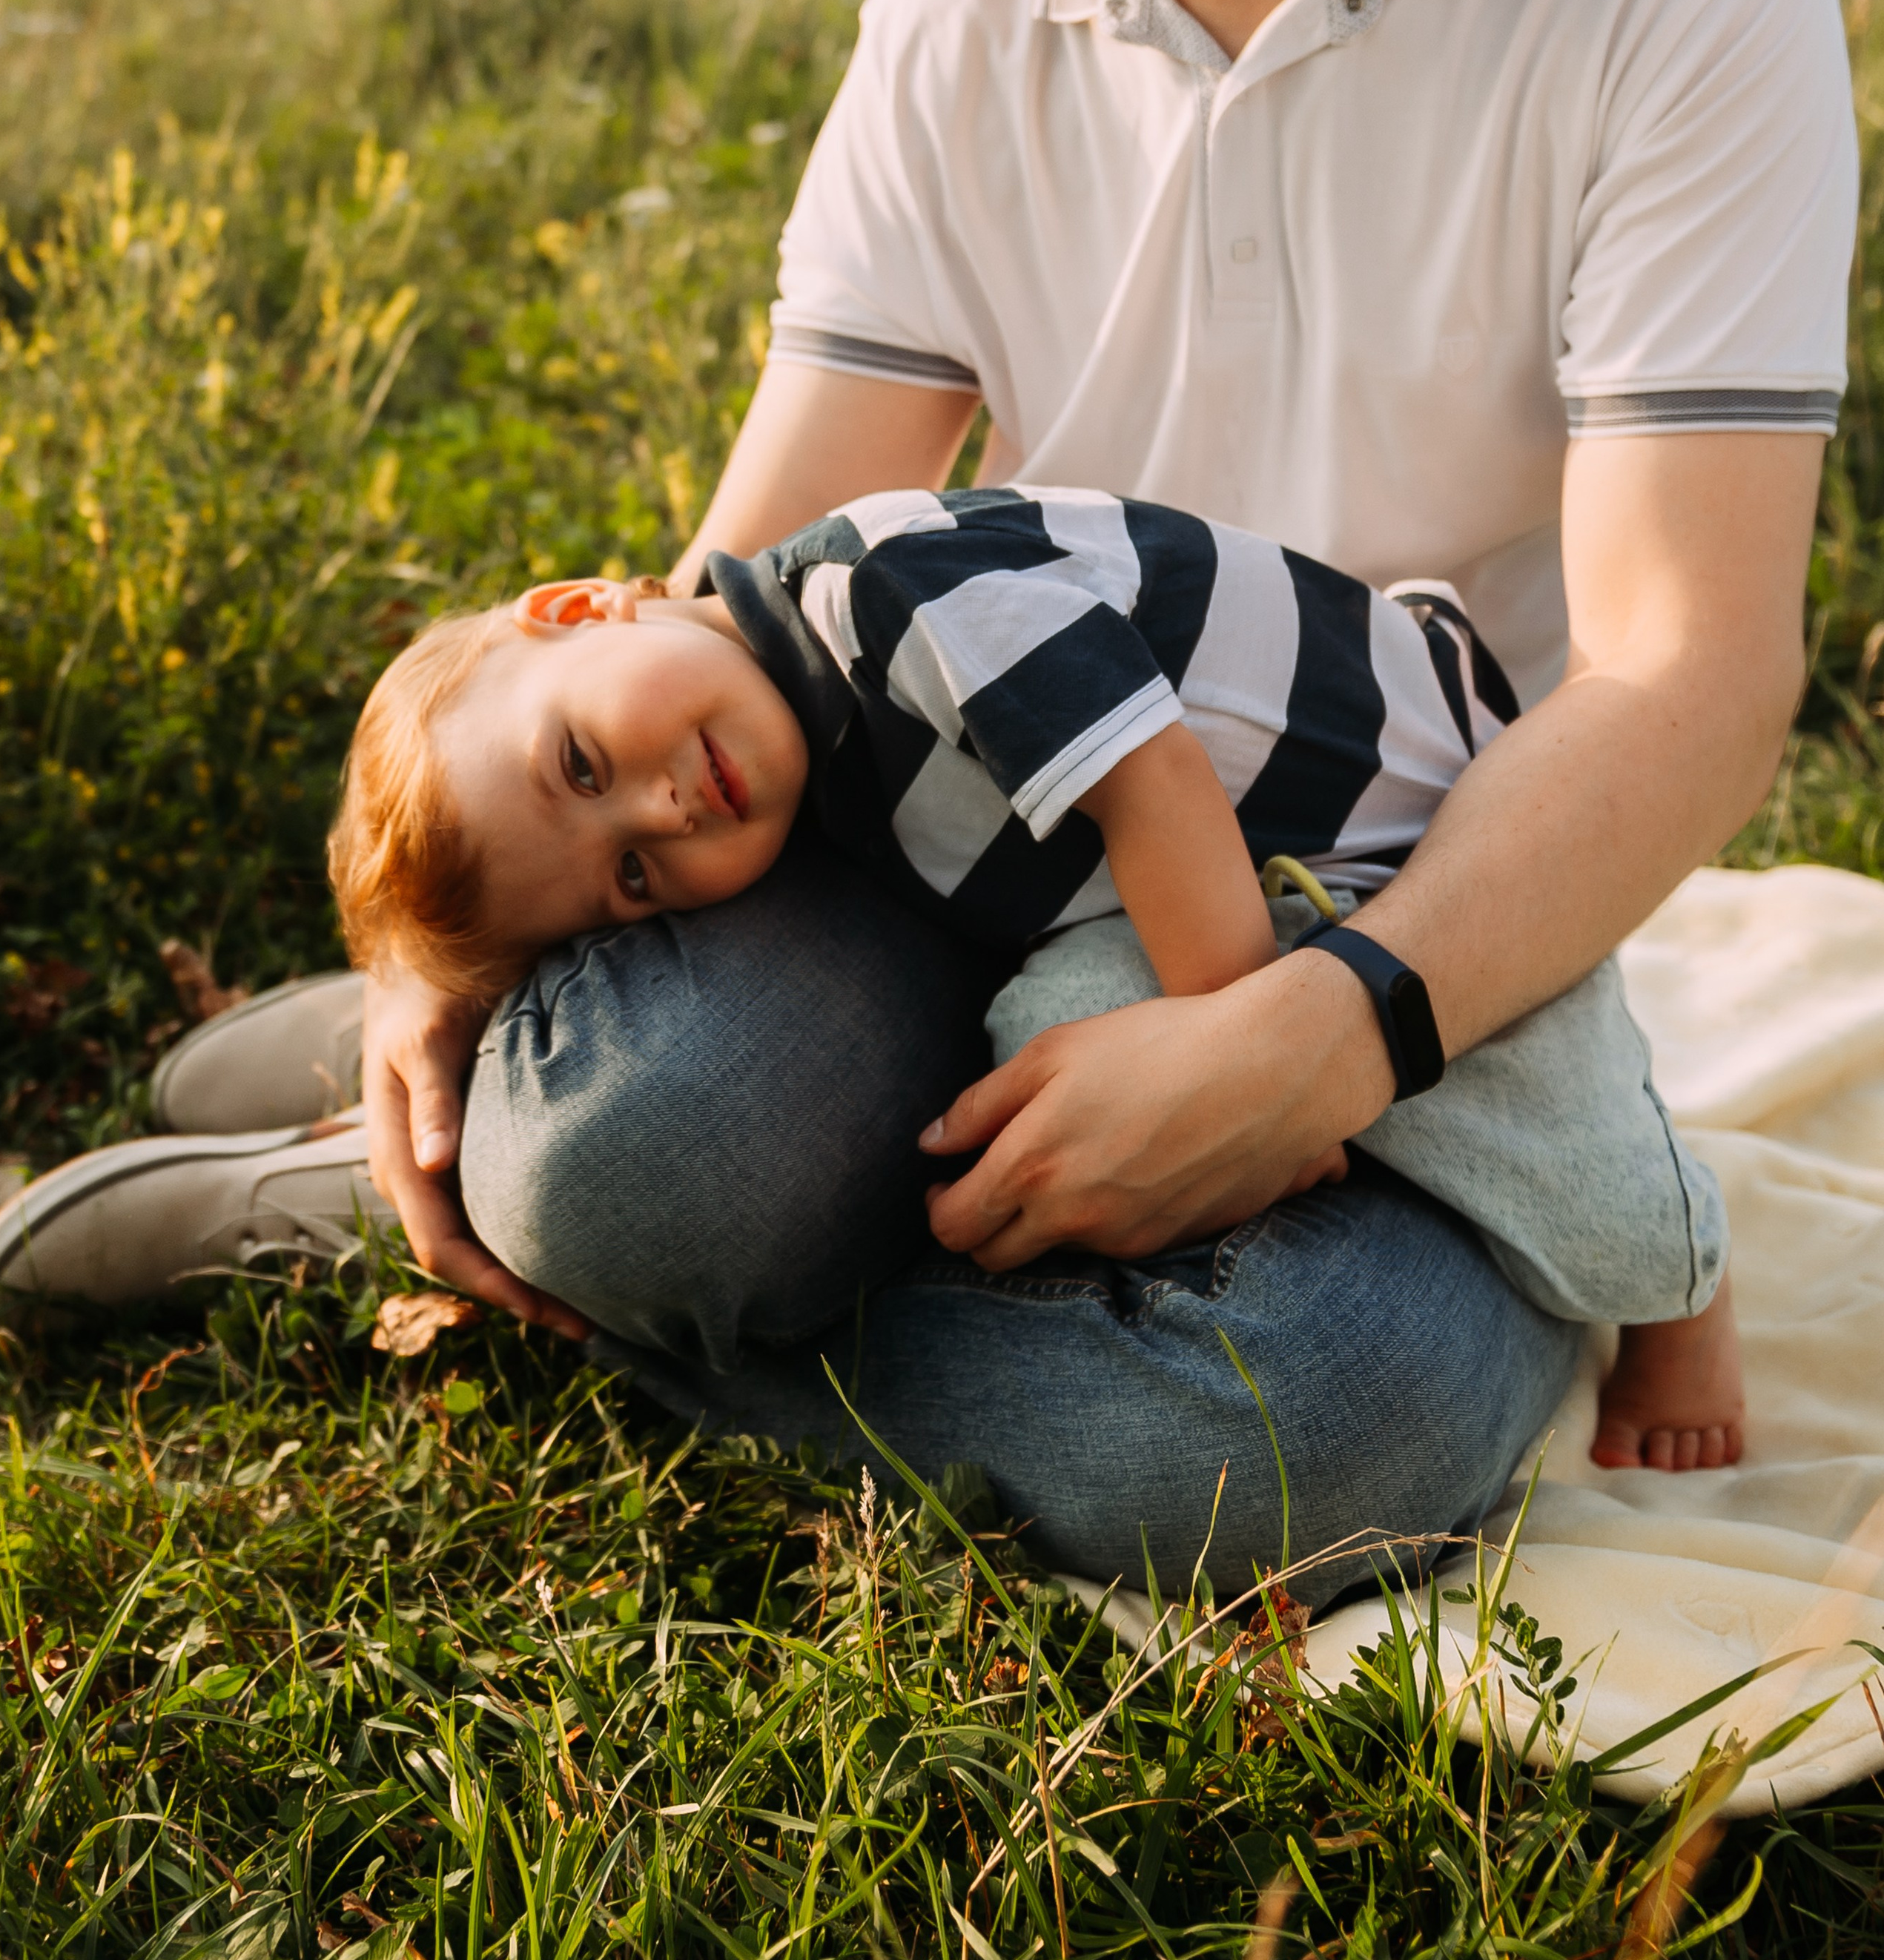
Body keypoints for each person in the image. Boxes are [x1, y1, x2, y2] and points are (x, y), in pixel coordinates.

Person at [0, 0, 1850, 1600]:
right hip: (980, 864)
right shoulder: (957, 15)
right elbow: (751, 586)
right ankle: (505, 1171)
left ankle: (515, 1255)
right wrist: (454, 961)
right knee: (645, 1151)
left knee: (1335, 1423)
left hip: (1426, 900)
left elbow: (1696, 665)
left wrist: (1315, 1041)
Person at [323, 482, 1736, 1459]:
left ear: (582, 607)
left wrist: (1247, 1077)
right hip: (1187, 895)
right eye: (632, 879)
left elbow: (1159, 787)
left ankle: (1679, 1279)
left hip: (1392, 828)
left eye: (581, 763)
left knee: (1541, 1104)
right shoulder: (782, 736)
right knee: (1051, 1043)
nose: (663, 813)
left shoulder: (891, 590)